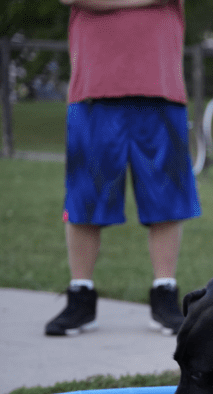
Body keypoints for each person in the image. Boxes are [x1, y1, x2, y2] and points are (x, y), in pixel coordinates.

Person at [45, 0, 201, 337]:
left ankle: (165, 294)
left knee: (167, 200)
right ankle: (80, 296)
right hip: (93, 89)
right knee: (85, 199)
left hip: (161, 87)